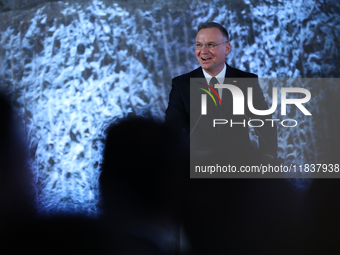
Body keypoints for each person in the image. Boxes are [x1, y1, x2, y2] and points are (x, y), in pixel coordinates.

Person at [165, 22, 277, 164]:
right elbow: (171, 130)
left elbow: (264, 123)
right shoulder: (181, 84)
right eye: (199, 45)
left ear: (227, 48)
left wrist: (268, 156)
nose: (203, 51)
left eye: (211, 45)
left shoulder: (246, 81)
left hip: (239, 170)